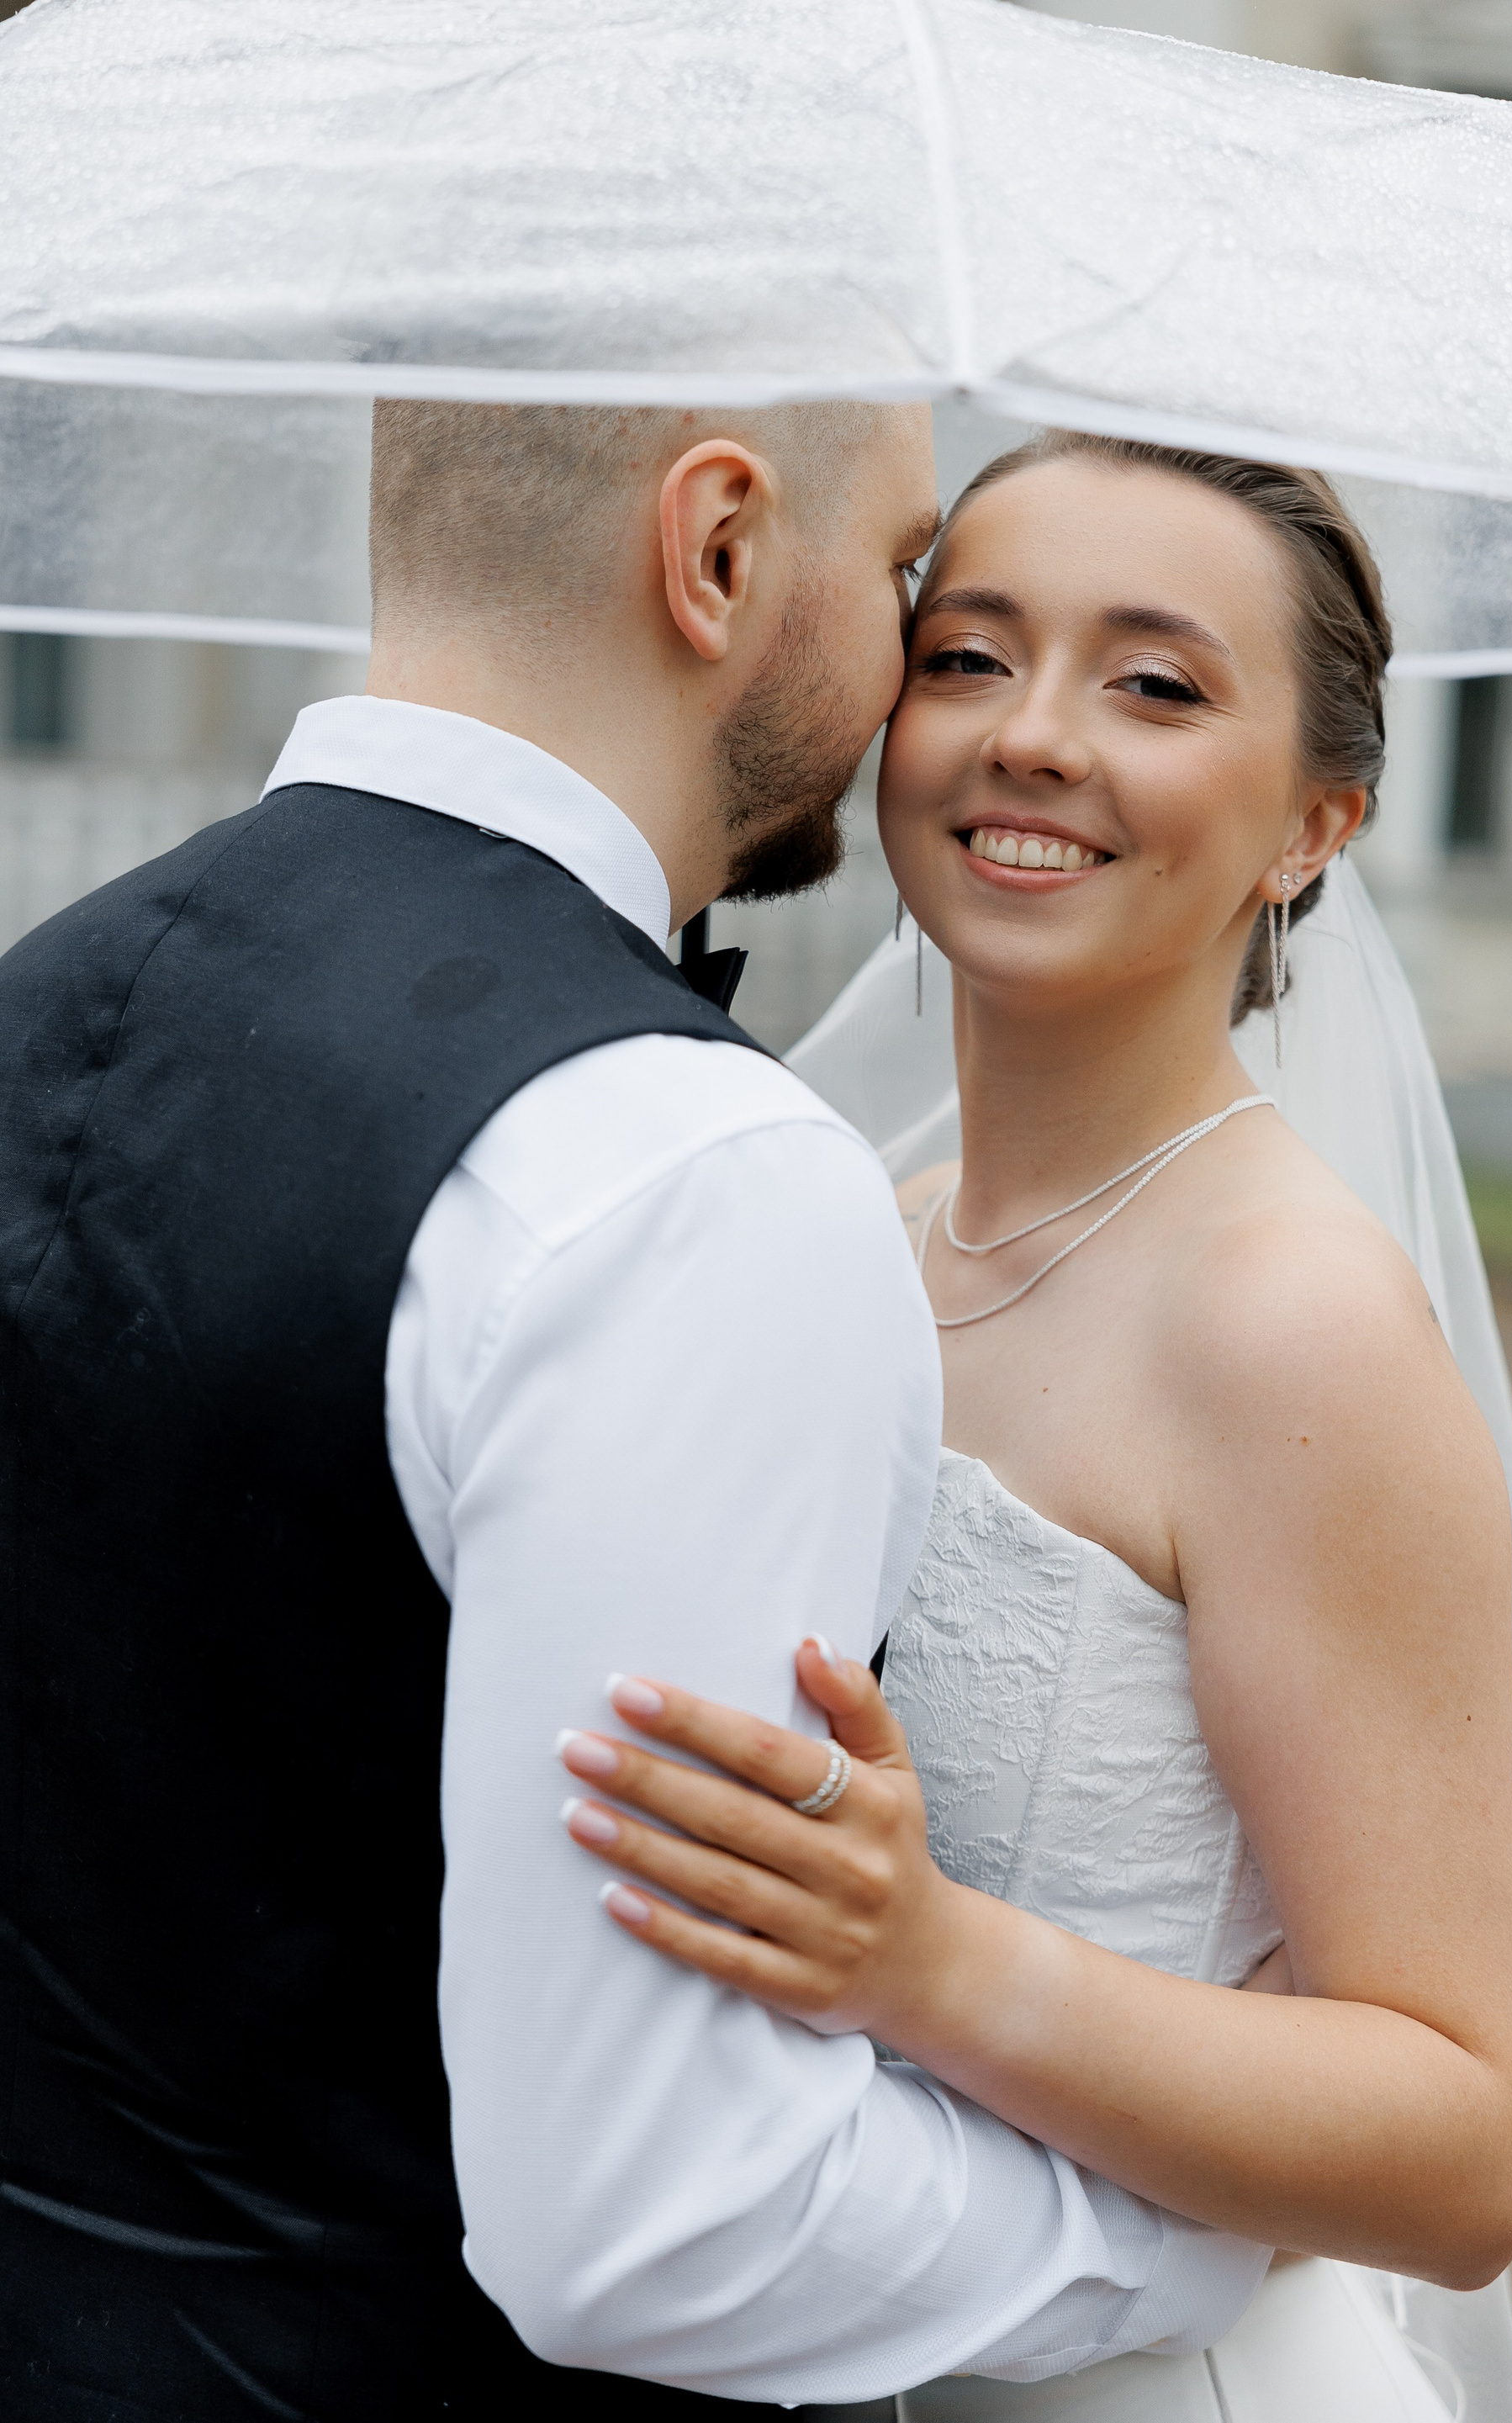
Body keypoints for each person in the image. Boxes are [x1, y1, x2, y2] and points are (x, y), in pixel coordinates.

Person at [0, 403, 1275, 2420]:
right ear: (719, 550)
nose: (919, 666)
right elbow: (665, 2225)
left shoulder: (38, 998)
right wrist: (1180, 2243)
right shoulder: (682, 1172)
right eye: (907, 574)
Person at [552, 435, 1512, 2420]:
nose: (1033, 735)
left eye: (1155, 684)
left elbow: (1469, 2150)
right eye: (970, 657)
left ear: (1316, 824)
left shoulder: (1289, 1323)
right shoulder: (861, 1227)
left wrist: (936, 1966)